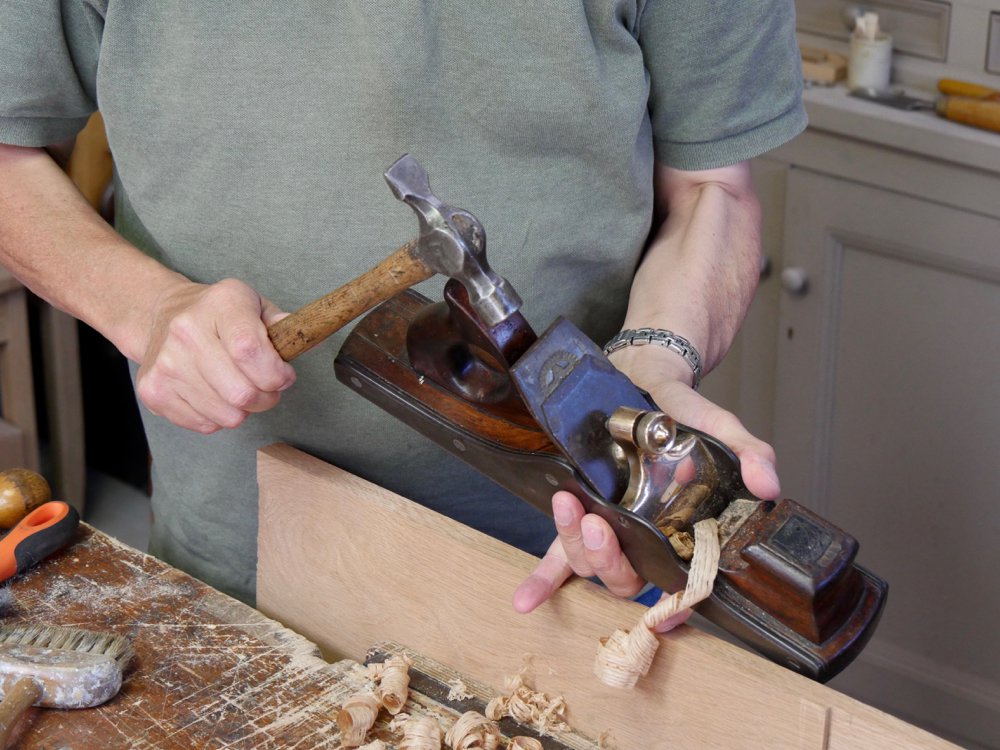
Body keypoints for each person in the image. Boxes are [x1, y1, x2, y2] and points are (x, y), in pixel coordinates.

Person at [0, 3, 805, 617]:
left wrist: (655, 360)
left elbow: (714, 190)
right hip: (245, 560)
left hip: (583, 553)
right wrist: (149, 307)